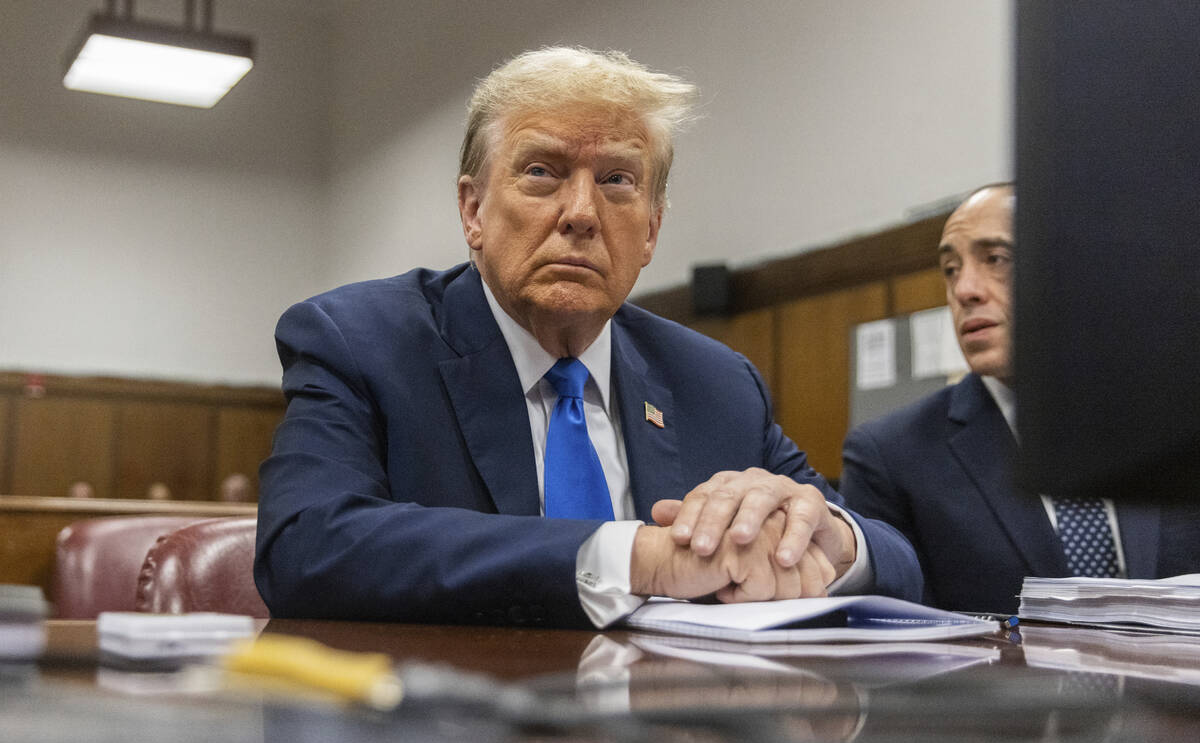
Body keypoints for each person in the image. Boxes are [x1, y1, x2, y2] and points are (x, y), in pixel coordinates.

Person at [256, 46, 921, 628]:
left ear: (653, 230)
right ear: (472, 209)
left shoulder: (715, 383)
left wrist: (826, 537)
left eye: (617, 181)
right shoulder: (360, 341)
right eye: (541, 172)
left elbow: (896, 560)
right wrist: (636, 559)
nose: (580, 214)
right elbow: (305, 546)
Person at [840, 184, 1200, 613]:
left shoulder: (1173, 425)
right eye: (951, 270)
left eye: (996, 260)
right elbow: (897, 646)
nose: (964, 290)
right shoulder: (889, 455)